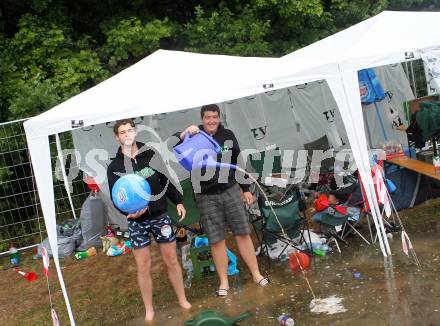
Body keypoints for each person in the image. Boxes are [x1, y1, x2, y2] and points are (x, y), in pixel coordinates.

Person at [177, 104, 269, 297]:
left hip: (230, 190)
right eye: (207, 117)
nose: (211, 121)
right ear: (202, 119)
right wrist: (186, 132)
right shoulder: (195, 135)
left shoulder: (228, 135)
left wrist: (245, 189)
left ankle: (256, 273)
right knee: (216, 240)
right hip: (205, 195)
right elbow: (174, 142)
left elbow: (238, 161)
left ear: (219, 118)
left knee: (242, 232)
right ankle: (224, 282)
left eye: (214, 117)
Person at [107, 119, 191, 322]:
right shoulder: (114, 167)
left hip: (160, 216)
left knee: (171, 259)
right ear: (117, 137)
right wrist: (128, 214)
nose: (127, 134)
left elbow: (166, 180)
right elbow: (116, 197)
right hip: (137, 222)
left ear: (135, 132)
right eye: (122, 132)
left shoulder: (151, 154)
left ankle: (182, 299)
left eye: (130, 130)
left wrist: (178, 201)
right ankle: (149, 309)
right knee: (143, 266)